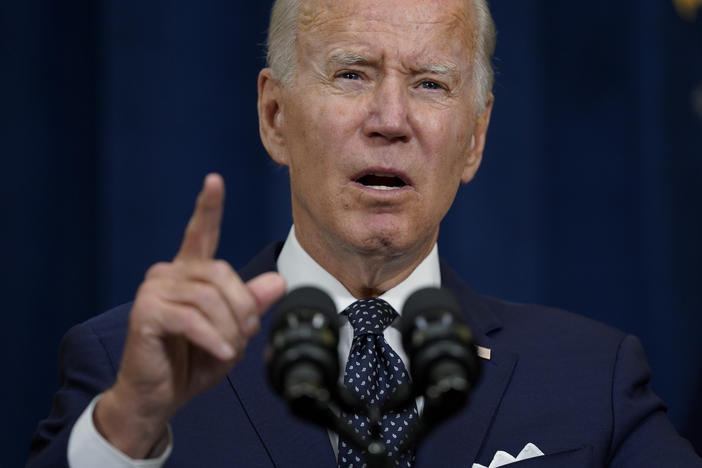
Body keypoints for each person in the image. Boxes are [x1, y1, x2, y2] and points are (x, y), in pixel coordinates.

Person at [27, 0, 702, 466]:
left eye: (431, 84)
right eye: (352, 74)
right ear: (274, 116)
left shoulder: (592, 377)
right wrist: (130, 425)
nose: (390, 118)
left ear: (474, 139)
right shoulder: (130, 368)